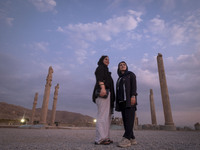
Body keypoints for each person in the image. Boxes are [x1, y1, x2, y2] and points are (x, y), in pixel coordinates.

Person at [92, 55, 115, 145]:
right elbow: (100, 78)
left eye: (109, 59)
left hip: (107, 95)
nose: (107, 61)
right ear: (101, 60)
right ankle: (100, 139)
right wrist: (102, 88)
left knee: (107, 117)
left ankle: (106, 137)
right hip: (103, 93)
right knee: (102, 116)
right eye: (106, 59)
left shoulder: (106, 70)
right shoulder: (101, 68)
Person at [115, 61, 138, 148]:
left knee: (129, 119)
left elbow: (134, 86)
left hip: (129, 100)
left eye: (124, 65)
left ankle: (126, 138)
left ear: (126, 66)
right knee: (125, 120)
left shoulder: (130, 74)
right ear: (118, 68)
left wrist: (133, 96)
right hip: (122, 102)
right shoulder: (119, 78)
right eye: (120, 65)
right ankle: (132, 138)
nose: (122, 66)